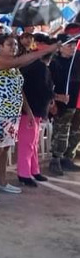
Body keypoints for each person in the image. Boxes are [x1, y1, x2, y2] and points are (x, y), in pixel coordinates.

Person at [0, 35, 59, 203]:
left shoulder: (14, 67)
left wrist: (26, 111)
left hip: (12, 113)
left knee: (5, 148)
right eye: (9, 44)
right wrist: (46, 50)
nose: (13, 47)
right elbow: (25, 59)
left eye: (15, 45)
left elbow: (19, 90)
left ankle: (1, 181)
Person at [17, 36, 54, 186]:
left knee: (33, 142)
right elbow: (42, 89)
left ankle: (33, 170)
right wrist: (54, 95)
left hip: (36, 109)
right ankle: (24, 173)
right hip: (30, 109)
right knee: (28, 142)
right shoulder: (37, 66)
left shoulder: (37, 65)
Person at [48, 34, 80, 176]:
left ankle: (68, 157)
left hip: (76, 100)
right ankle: (56, 159)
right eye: (69, 45)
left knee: (76, 131)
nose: (73, 48)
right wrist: (53, 99)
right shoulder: (54, 62)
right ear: (60, 47)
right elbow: (47, 85)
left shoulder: (76, 59)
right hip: (62, 102)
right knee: (61, 131)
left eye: (74, 45)